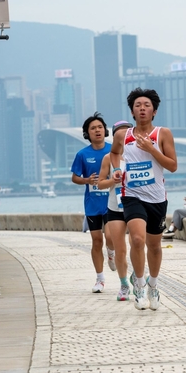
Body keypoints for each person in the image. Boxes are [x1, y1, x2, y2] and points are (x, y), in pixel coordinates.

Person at [110, 88, 177, 311]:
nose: (142, 109)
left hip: (157, 197)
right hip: (132, 195)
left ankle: (153, 285)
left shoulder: (162, 134)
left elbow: (172, 166)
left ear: (154, 111)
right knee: (137, 239)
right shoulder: (123, 135)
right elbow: (114, 153)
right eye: (137, 105)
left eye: (147, 105)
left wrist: (151, 149)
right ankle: (138, 285)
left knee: (154, 246)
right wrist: (117, 170)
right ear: (132, 111)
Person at [71, 112, 116, 293]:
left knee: (111, 237)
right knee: (97, 241)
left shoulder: (114, 151)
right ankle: (100, 279)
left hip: (112, 201)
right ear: (87, 133)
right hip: (92, 204)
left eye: (100, 127)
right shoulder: (82, 154)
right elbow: (75, 177)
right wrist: (86, 180)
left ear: (105, 130)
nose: (97, 130)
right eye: (93, 128)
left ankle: (111, 253)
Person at [97, 120, 134, 301]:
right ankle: (124, 284)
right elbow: (100, 183)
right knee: (120, 249)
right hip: (115, 205)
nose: (123, 136)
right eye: (120, 133)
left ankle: (138, 275)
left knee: (137, 243)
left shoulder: (138, 154)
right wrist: (113, 180)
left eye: (127, 132)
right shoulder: (108, 158)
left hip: (136, 204)